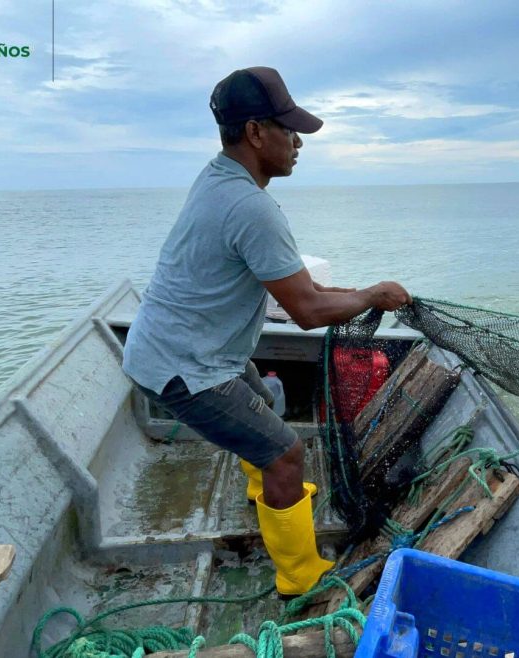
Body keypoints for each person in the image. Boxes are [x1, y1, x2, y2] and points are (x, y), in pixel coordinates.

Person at [122, 66, 411, 596]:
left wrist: (360, 291)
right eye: (288, 129)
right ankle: (299, 576)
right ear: (256, 133)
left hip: (173, 352)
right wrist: (371, 296)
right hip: (186, 372)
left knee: (263, 399)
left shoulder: (217, 179)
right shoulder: (251, 207)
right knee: (286, 453)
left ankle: (267, 492)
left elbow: (299, 287)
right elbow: (306, 311)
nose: (297, 142)